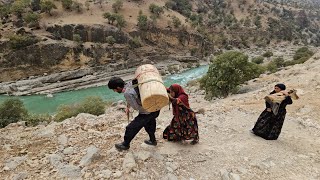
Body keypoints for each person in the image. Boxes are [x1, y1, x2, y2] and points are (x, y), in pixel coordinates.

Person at [108, 77, 160, 151]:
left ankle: (125, 144)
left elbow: (136, 107)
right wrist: (128, 106)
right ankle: (152, 140)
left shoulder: (127, 93)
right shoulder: (131, 83)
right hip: (156, 108)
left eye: (114, 89)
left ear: (118, 87)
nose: (114, 91)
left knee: (130, 128)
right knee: (149, 123)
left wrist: (132, 106)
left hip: (147, 112)